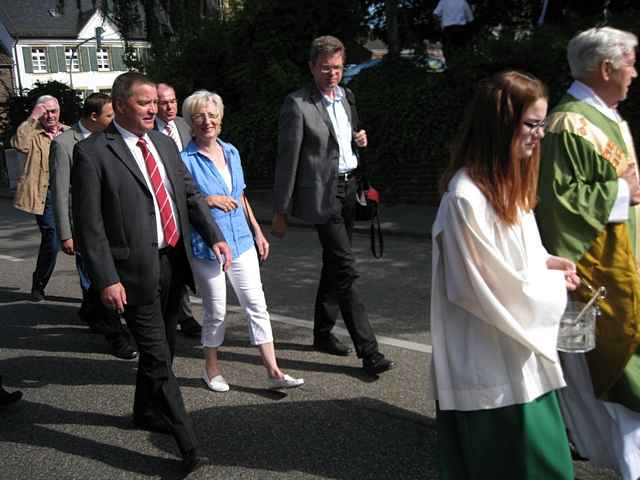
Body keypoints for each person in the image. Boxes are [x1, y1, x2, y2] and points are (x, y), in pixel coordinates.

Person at [71, 72, 232, 473]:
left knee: (168, 348)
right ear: (121, 104)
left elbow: (189, 195)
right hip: (132, 271)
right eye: (144, 103)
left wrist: (213, 235)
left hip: (171, 263)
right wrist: (106, 277)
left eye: (155, 103)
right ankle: (188, 444)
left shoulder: (163, 141)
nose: (154, 109)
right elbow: (89, 225)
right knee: (158, 356)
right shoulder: (92, 153)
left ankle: (145, 411)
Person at [431, 70, 580, 479]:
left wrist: (549, 263)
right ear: (500, 125)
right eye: (532, 124)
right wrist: (552, 286)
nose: (540, 134)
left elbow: (520, 258)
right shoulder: (466, 197)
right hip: (490, 370)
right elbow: (479, 289)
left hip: (520, 357)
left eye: (542, 123)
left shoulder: (508, 184)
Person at [536, 27, 640, 480]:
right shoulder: (567, 122)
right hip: (603, 273)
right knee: (621, 373)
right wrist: (620, 191)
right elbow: (559, 203)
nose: (635, 72)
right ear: (606, 68)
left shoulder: (610, 116)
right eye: (631, 63)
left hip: (628, 262)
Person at [272, 35, 394, 376]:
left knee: (334, 262)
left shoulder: (348, 97)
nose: (332, 74)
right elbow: (287, 159)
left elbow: (349, 137)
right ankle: (369, 352)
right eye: (325, 68)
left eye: (338, 68)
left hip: (350, 187)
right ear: (312, 67)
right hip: (321, 195)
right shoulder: (297, 104)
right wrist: (280, 211)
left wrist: (360, 140)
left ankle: (323, 333)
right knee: (345, 269)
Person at [181, 90, 303, 392]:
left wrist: (258, 231)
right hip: (209, 246)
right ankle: (211, 369)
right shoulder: (184, 160)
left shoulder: (232, 152)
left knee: (256, 305)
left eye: (212, 115)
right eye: (200, 117)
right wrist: (208, 199)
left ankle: (273, 370)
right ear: (190, 123)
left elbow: (241, 195)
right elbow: (180, 201)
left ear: (220, 119)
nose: (207, 121)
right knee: (216, 311)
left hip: (243, 240)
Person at [49, 93, 137, 360]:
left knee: (109, 279)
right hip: (87, 227)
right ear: (93, 117)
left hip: (116, 224)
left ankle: (91, 310)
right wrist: (66, 233)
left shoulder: (115, 139)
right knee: (101, 279)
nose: (115, 120)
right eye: (110, 115)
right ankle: (116, 336)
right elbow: (61, 192)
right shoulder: (65, 144)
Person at [155, 82, 201, 339]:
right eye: (163, 102)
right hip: (167, 204)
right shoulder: (149, 131)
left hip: (191, 199)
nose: (170, 106)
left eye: (173, 100)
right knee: (175, 258)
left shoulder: (185, 125)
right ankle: (183, 315)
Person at [11, 95, 68, 301]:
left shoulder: (68, 133)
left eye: (53, 111)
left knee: (81, 244)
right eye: (45, 112)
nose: (50, 116)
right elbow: (19, 144)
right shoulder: (32, 134)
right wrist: (33, 117)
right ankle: (39, 284)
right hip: (45, 196)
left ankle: (91, 295)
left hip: (70, 196)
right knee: (52, 241)